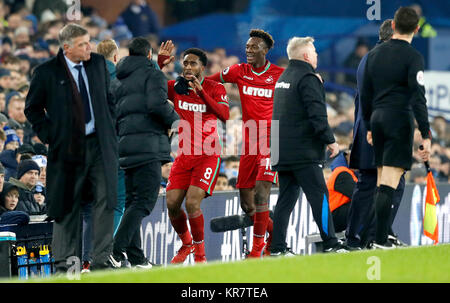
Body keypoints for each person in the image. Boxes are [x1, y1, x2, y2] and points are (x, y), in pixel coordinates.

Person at [25, 23, 118, 272]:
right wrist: (50, 135)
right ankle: (64, 263)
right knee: (67, 205)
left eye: (89, 41)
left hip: (99, 146)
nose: (89, 47)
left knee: (105, 200)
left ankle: (100, 260)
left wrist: (110, 128)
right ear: (67, 48)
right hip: (67, 148)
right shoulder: (46, 73)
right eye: (82, 44)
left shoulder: (98, 64)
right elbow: (32, 109)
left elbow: (109, 99)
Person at [206, 29, 285, 257]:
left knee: (262, 194)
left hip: (273, 137)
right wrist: (197, 86)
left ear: (266, 50)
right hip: (249, 138)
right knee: (247, 205)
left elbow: (301, 84)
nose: (248, 50)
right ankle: (275, 236)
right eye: (247, 47)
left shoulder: (279, 75)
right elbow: (211, 82)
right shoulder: (239, 71)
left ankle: (258, 250)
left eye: (254, 47)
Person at [361, 7, 431, 249]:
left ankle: (370, 238)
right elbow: (417, 97)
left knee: (382, 182)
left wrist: (369, 125)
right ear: (417, 29)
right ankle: (379, 240)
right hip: (398, 119)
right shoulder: (413, 57)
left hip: (378, 119)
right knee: (390, 182)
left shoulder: (375, 54)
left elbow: (365, 94)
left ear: (393, 26)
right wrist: (426, 133)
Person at [270, 36, 347, 256]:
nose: (316, 54)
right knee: (319, 198)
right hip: (304, 152)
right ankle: (331, 242)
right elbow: (317, 116)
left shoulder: (283, 78)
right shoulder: (308, 78)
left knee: (285, 200)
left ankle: (277, 249)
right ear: (305, 56)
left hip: (282, 152)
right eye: (313, 51)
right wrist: (330, 141)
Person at [109, 37, 178, 268]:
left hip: (126, 146)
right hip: (148, 146)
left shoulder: (119, 80)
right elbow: (157, 105)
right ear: (149, 55)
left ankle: (137, 258)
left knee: (132, 202)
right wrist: (177, 121)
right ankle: (115, 251)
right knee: (144, 202)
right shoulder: (154, 75)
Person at [158, 47, 229, 264]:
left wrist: (202, 94)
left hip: (208, 154)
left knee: (192, 203)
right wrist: (160, 65)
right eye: (185, 63)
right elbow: (151, 86)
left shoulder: (215, 88)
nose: (188, 67)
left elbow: (225, 115)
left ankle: (200, 256)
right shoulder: (176, 87)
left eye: (193, 63)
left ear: (202, 67)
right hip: (184, 156)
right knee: (171, 203)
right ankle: (187, 243)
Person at [347, 19, 407, 249]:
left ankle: (358, 238)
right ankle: (372, 237)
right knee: (391, 184)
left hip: (367, 132)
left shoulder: (369, 58)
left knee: (369, 185)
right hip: (377, 133)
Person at [326, 147, 357, 233]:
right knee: (364, 204)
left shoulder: (347, 172)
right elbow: (356, 195)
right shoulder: (342, 173)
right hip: (333, 217)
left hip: (335, 215)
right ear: (348, 156)